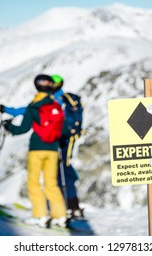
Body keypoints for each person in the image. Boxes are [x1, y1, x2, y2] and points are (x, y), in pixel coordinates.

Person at [2, 74, 67, 228]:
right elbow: (63, 129)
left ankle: (40, 215)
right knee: (51, 183)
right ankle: (61, 216)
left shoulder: (34, 106)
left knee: (34, 183)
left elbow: (22, 129)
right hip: (53, 149)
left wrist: (8, 126)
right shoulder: (56, 106)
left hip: (37, 148)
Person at [50, 74, 85, 219]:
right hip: (65, 138)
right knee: (64, 168)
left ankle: (71, 205)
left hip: (64, 138)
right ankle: (72, 205)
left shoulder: (59, 100)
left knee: (63, 168)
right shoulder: (61, 99)